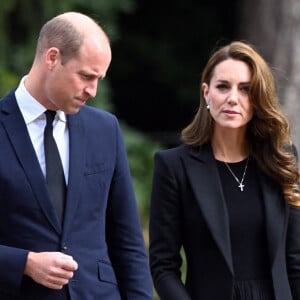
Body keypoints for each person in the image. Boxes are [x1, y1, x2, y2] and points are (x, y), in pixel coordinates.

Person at [0, 11, 153, 300]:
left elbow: (128, 241)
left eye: (99, 79)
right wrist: (25, 263)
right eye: (86, 76)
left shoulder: (105, 129)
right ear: (52, 58)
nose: (93, 91)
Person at [149, 40, 300, 300]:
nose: (233, 98)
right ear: (206, 92)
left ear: (257, 98)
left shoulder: (282, 159)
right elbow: (163, 266)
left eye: (245, 89)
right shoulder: (174, 167)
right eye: (223, 87)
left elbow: (296, 260)